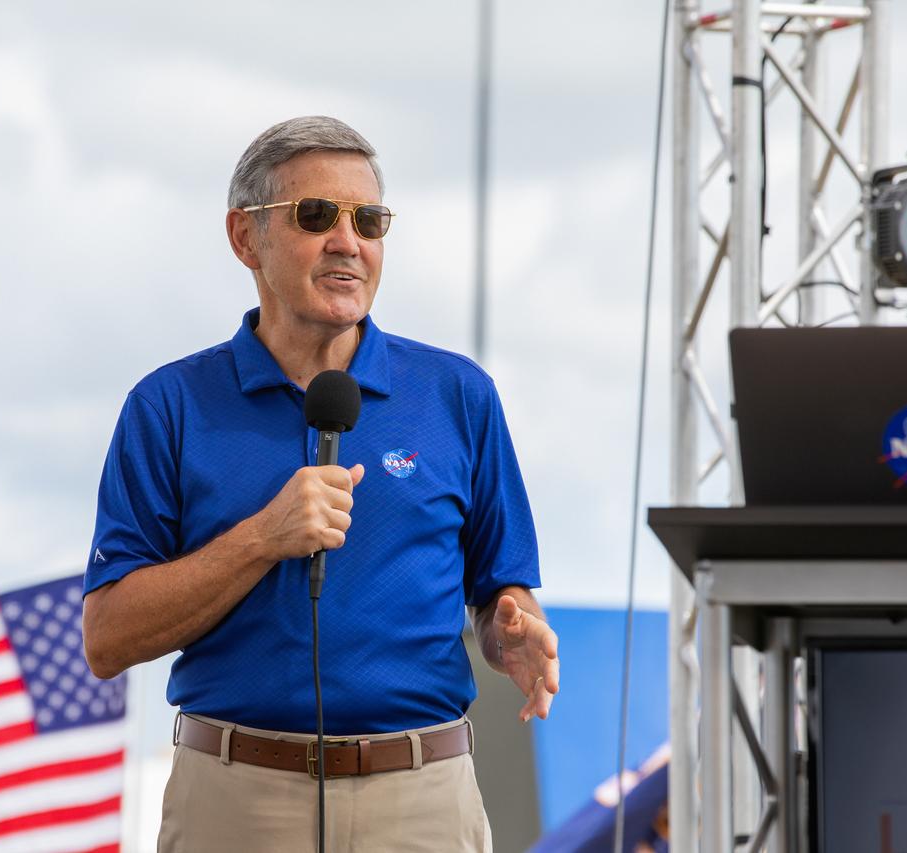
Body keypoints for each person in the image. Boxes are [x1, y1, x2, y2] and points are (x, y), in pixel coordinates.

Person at [82, 115, 559, 853]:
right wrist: (260, 539)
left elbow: (503, 590)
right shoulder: (168, 407)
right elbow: (107, 637)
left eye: (369, 220)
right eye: (316, 215)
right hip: (234, 800)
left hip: (420, 799)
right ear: (246, 237)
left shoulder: (458, 396)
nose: (349, 241)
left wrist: (513, 628)